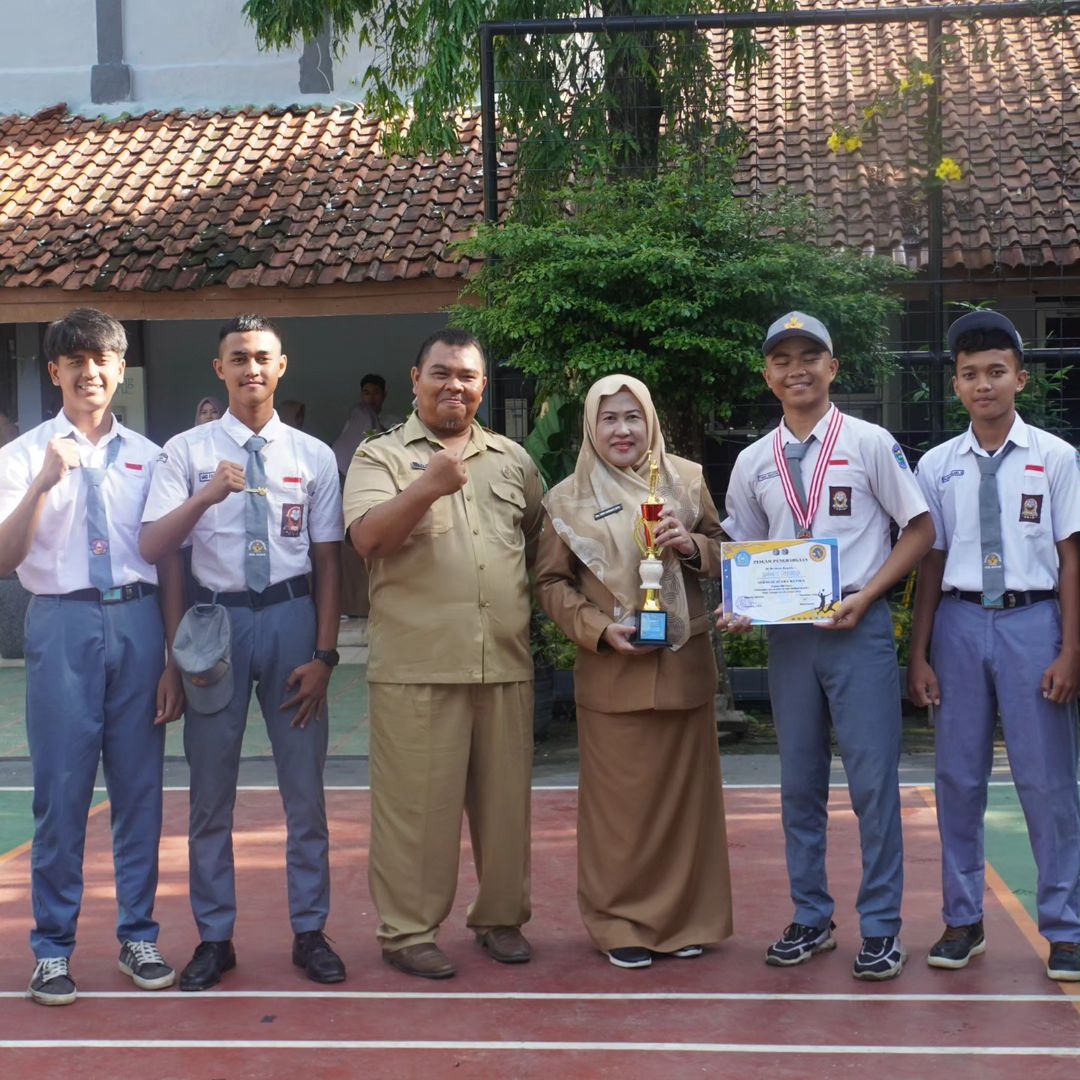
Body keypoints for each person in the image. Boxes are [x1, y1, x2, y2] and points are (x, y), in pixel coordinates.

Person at [719, 311, 933, 981]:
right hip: (790, 642)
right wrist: (741, 605)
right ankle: (811, 916)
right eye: (782, 359)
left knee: (872, 785)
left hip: (858, 633)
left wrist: (868, 597)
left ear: (833, 368)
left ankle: (881, 928)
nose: (796, 368)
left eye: (810, 355)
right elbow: (743, 551)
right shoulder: (755, 461)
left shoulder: (870, 443)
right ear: (768, 375)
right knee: (799, 785)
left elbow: (920, 529)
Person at [140, 314, 345, 991]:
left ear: (281, 365)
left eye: (262, 357)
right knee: (210, 794)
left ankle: (310, 930)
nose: (251, 368)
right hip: (215, 626)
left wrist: (324, 653)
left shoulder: (312, 456)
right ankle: (214, 936)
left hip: (289, 620)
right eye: (238, 358)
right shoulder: (186, 453)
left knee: (305, 792)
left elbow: (326, 562)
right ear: (218, 368)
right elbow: (162, 555)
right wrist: (174, 652)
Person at [343, 327, 543, 979]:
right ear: (414, 378)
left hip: (503, 661)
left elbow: (539, 542)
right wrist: (428, 485)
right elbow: (369, 538)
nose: (453, 385)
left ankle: (500, 919)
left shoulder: (513, 459)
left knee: (506, 807)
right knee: (414, 813)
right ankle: (406, 932)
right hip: (416, 667)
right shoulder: (381, 458)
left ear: (483, 386)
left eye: (467, 375)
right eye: (440, 373)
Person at [0, 307, 183, 1006]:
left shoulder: (148, 454)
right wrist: (45, 480)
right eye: (74, 362)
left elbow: (166, 561)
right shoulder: (22, 458)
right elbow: (5, 557)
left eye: (101, 360)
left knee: (139, 792)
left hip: (137, 624)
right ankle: (52, 949)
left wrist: (169, 655)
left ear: (120, 367)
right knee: (62, 794)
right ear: (55, 372)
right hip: (61, 624)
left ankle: (138, 935)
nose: (89, 373)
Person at [534, 374, 733, 968]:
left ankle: (685, 920)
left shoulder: (688, 480)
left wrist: (691, 546)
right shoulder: (566, 498)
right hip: (613, 675)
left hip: (683, 669)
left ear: (651, 422)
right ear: (591, 429)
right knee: (618, 815)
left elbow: (727, 553)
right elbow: (548, 583)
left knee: (685, 810)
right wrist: (597, 629)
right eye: (608, 418)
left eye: (633, 417)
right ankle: (618, 922)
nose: (622, 430)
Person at [907, 309, 1080, 982]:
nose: (984, 385)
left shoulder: (1057, 459)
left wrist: (1070, 650)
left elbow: (1071, 559)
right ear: (955, 385)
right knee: (957, 776)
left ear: (1021, 379)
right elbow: (928, 562)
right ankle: (963, 919)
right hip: (956, 622)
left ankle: (1065, 928)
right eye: (970, 374)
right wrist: (917, 653)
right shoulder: (937, 465)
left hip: (1032, 622)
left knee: (1046, 780)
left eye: (996, 373)